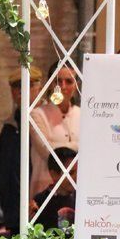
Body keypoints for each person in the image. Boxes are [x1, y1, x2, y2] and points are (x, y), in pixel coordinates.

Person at [0, 64, 43, 235]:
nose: (21, 91)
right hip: (15, 211)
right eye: (17, 86)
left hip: (39, 205)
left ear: (39, 87)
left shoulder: (43, 120)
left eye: (29, 85)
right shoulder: (10, 126)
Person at [29, 60, 80, 195]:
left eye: (69, 81)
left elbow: (91, 149)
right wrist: (78, 146)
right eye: (58, 81)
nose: (63, 86)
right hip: (45, 192)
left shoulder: (83, 115)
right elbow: (48, 152)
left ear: (76, 85)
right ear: (51, 84)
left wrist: (57, 144)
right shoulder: (37, 115)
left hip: (77, 192)